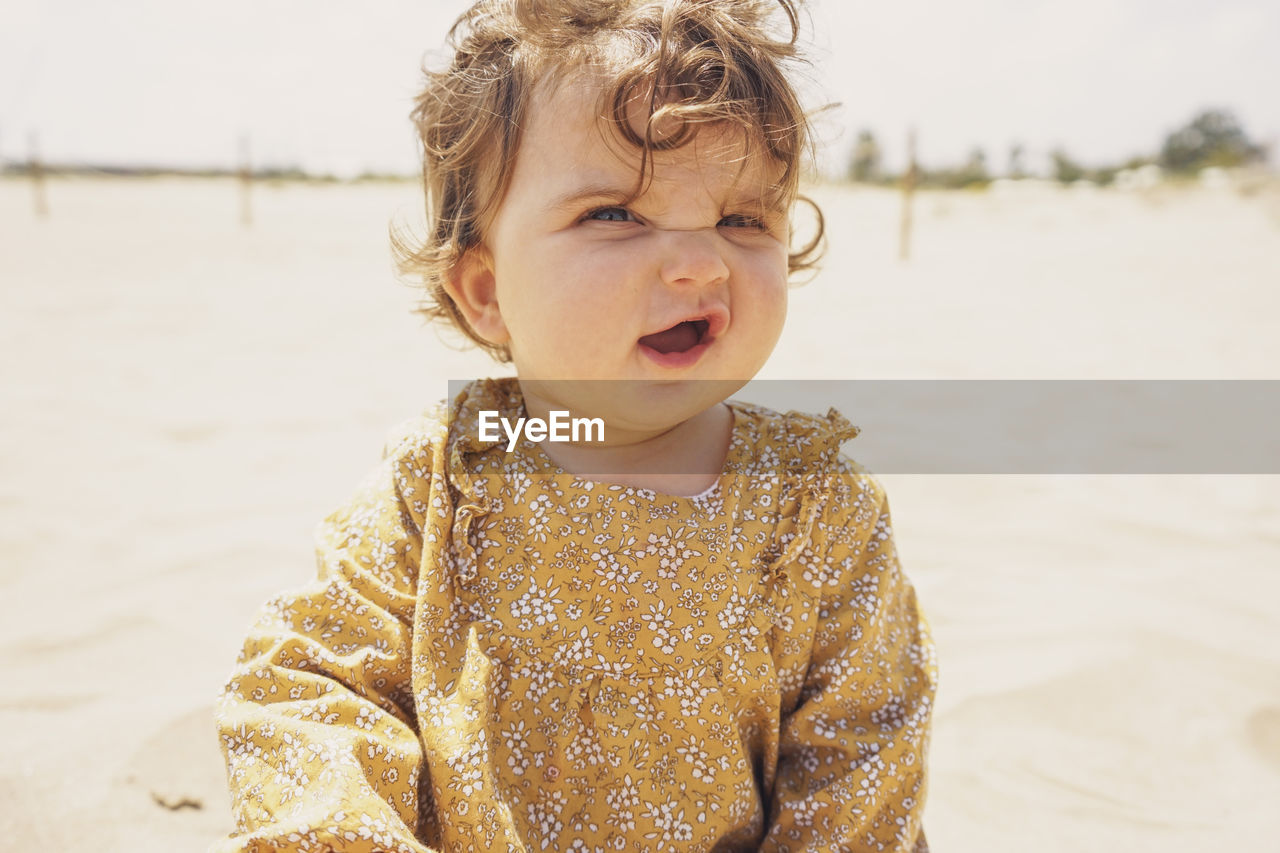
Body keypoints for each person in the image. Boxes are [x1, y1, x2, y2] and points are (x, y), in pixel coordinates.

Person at [213, 1, 937, 850]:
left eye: (743, 218)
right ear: (487, 294)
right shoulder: (449, 476)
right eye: (616, 214)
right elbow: (311, 679)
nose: (702, 261)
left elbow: (864, 744)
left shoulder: (812, 502)